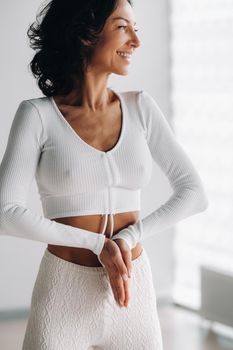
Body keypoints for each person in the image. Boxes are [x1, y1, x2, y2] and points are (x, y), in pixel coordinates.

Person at [0, 0, 209, 349]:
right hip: (64, 290)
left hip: (133, 288)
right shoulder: (37, 116)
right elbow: (5, 214)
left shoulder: (140, 107)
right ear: (85, 33)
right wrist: (98, 245)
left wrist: (127, 239)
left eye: (136, 29)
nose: (135, 42)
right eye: (123, 27)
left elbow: (194, 192)